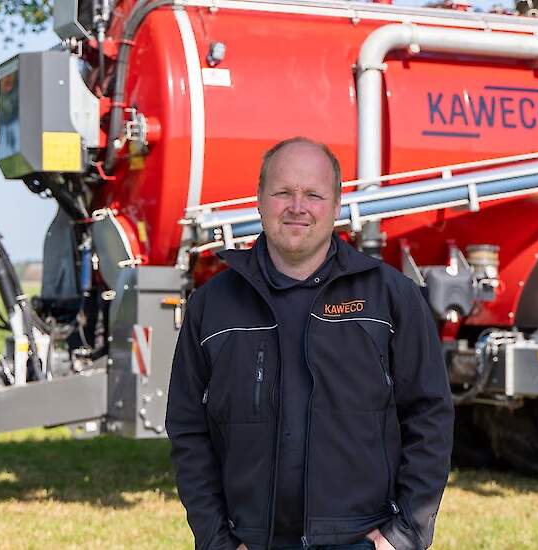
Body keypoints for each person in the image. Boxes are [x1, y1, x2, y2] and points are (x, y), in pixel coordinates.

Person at [166, 137, 454, 550]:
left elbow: (430, 416)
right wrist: (216, 541)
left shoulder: (391, 298)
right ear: (260, 200)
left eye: (313, 195)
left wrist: (404, 535)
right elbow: (188, 429)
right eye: (283, 192)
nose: (297, 207)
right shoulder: (212, 306)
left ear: (336, 206)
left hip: (363, 540)